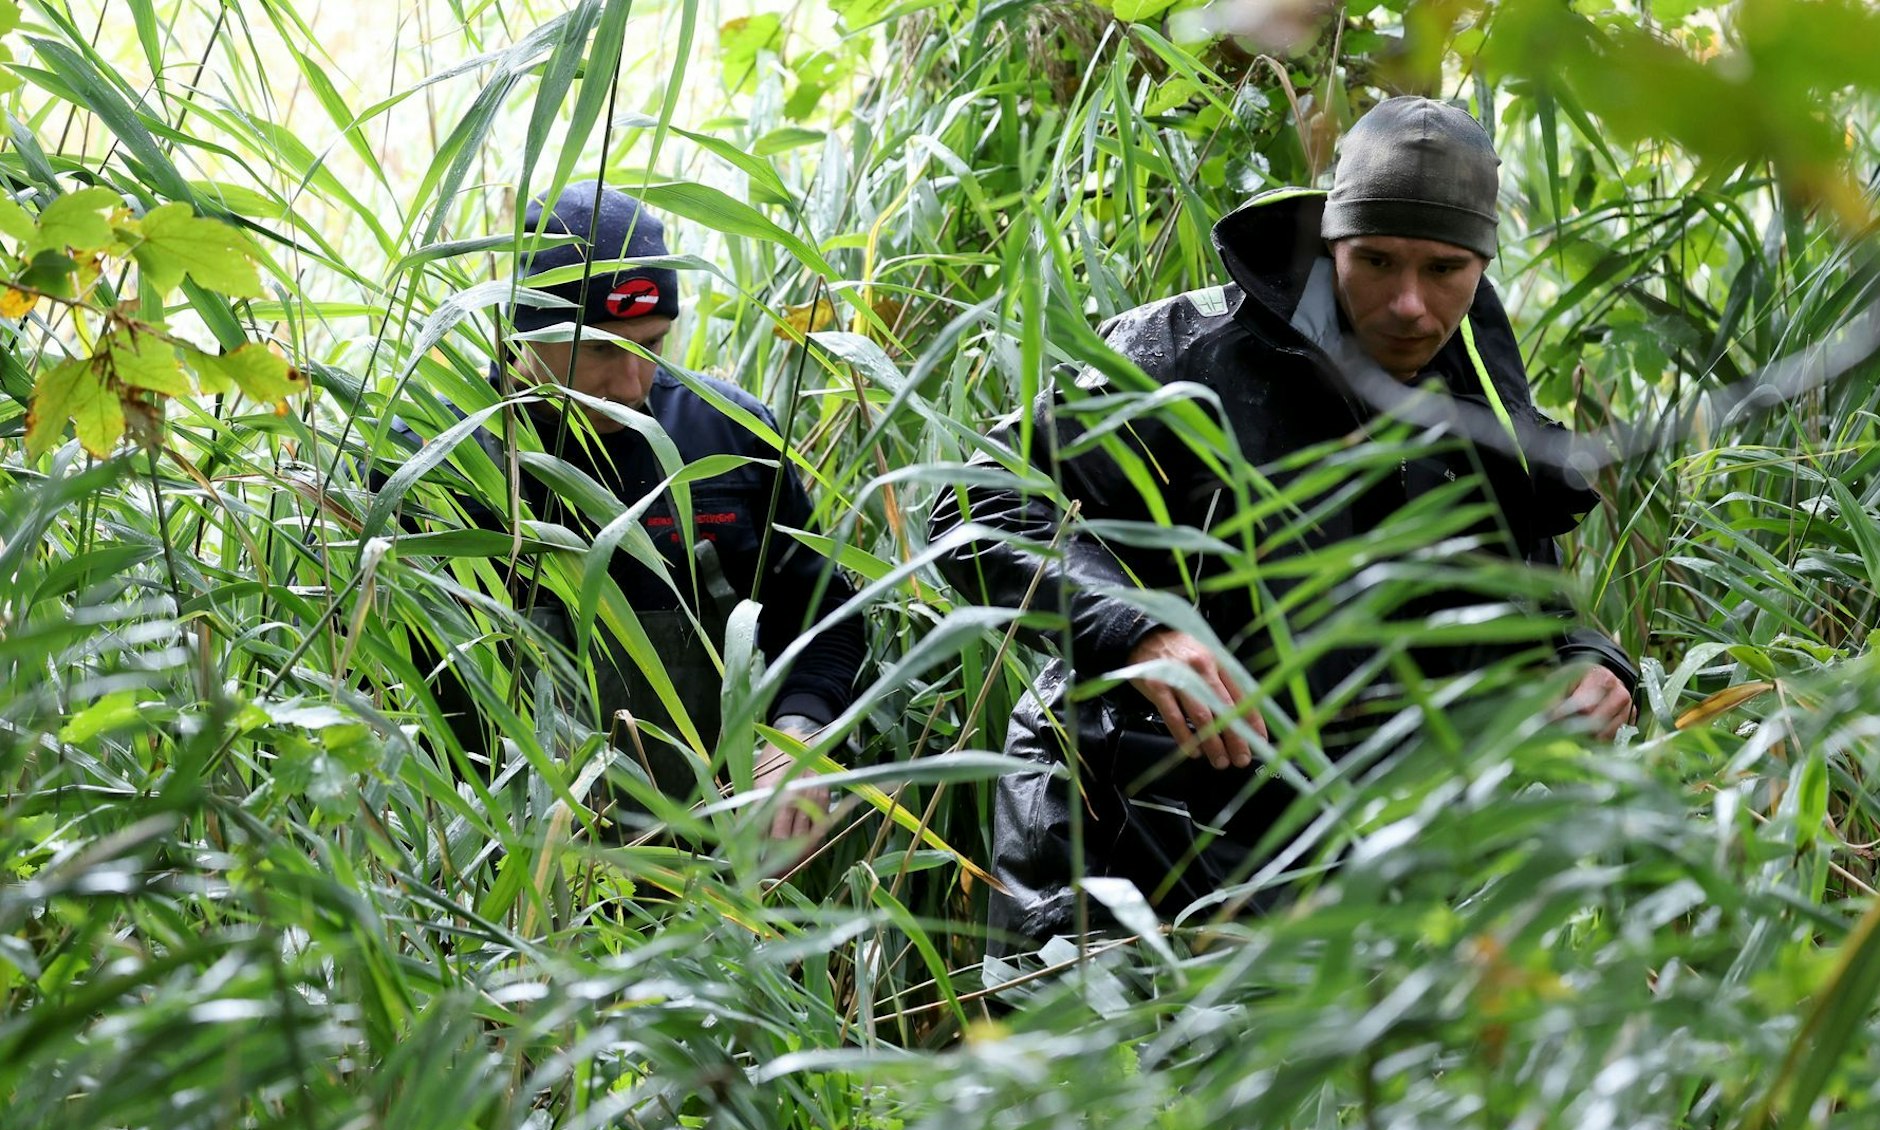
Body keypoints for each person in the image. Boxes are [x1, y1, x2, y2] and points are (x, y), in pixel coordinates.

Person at [931, 97, 1639, 952]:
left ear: (1480, 265)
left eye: (1445, 269)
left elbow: (1521, 587)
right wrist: (1139, 631)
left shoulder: (1478, 386)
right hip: (1113, 846)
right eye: (1376, 260)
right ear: (1331, 238)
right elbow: (975, 504)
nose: (1411, 304)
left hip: (1337, 878)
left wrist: (1587, 663)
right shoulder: (1187, 352)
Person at [396, 181, 865, 844]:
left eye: (652, 344)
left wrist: (800, 737)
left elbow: (824, 621)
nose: (630, 385)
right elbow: (383, 692)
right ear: (527, 326)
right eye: (601, 349)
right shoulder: (433, 464)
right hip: (498, 893)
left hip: (710, 872)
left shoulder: (730, 438)